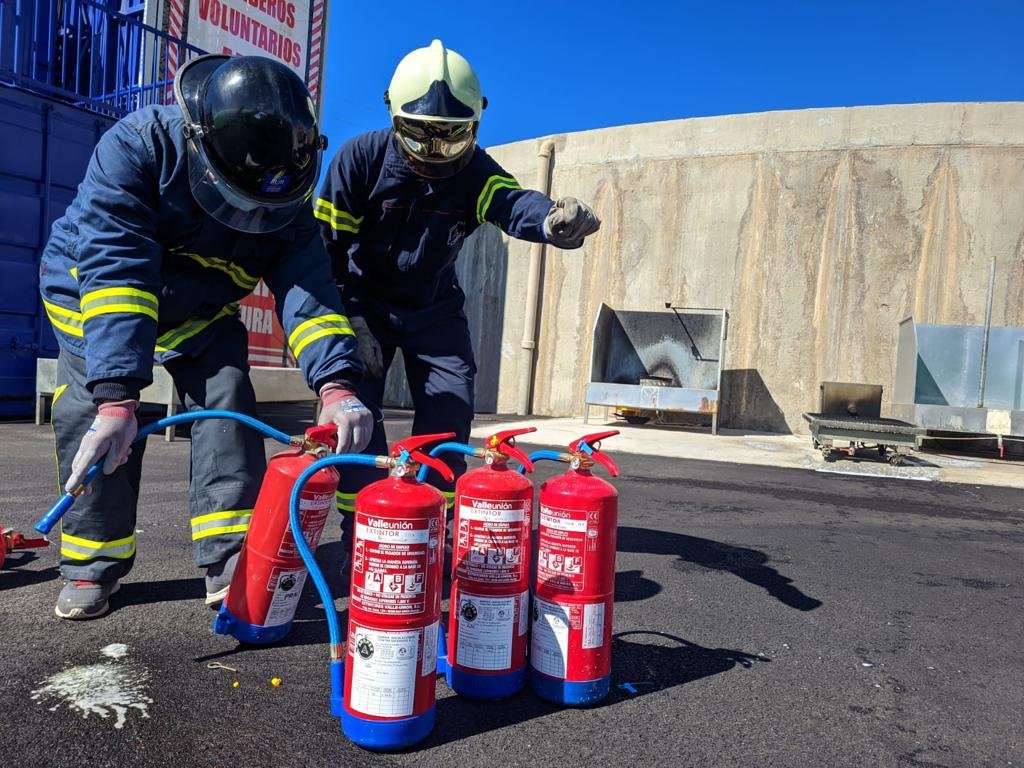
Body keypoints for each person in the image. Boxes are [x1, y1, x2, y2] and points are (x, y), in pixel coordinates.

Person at [39, 54, 373, 620]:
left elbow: (310, 294)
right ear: (201, 145)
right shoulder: (139, 148)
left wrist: (337, 384)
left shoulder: (289, 197)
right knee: (91, 414)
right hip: (95, 294)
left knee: (226, 389)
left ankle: (229, 558)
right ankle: (93, 563)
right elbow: (118, 270)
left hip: (196, 309)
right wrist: (118, 395)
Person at [316, 40, 600, 526]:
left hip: (434, 312)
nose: (434, 153)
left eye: (449, 138)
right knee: (356, 424)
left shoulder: (474, 174)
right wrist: (349, 322)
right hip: (363, 305)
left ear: (474, 125)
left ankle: (435, 530)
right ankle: (360, 532)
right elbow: (324, 253)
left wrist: (551, 221)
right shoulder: (358, 161)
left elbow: (510, 203)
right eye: (420, 135)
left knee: (449, 418)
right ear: (392, 113)